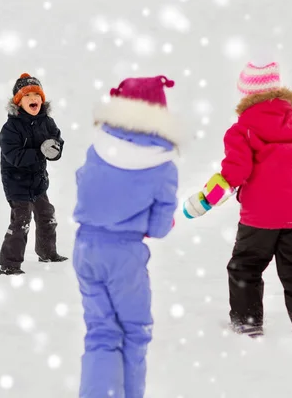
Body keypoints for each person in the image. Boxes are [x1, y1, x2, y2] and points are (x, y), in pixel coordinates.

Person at [184, 61, 292, 338]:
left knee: (245, 267)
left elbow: (235, 173)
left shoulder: (241, 130)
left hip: (260, 218)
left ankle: (247, 323)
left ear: (247, 95)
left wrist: (205, 200)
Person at [73, 75, 180, 398]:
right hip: (125, 256)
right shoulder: (161, 164)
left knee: (101, 333)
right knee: (135, 333)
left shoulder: (99, 148)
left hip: (85, 247)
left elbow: (85, 186)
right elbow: (160, 227)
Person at [0, 73, 67, 275]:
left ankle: (47, 252)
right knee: (21, 221)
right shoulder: (10, 128)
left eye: (37, 94)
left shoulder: (47, 122)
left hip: (38, 182)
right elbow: (15, 156)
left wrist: (55, 149)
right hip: (16, 184)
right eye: (28, 95)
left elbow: (57, 142)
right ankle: (9, 264)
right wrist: (39, 152)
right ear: (19, 101)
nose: (33, 98)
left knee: (47, 216)